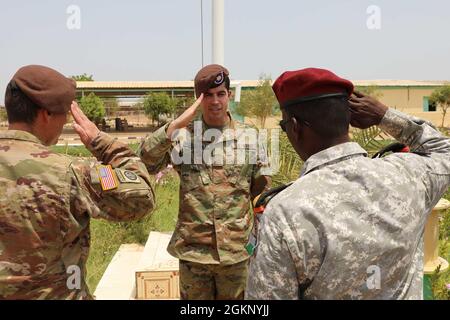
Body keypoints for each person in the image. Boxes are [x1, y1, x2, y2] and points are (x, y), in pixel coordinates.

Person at [245, 67, 450, 300]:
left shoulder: (285, 211)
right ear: (349, 120)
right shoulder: (410, 175)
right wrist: (384, 116)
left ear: (294, 126)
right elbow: (444, 150)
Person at [0, 65, 155, 299]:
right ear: (46, 114)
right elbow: (142, 195)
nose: (65, 124)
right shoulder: (71, 172)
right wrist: (102, 143)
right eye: (65, 114)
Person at [138, 64, 271, 299]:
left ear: (229, 95)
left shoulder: (251, 137)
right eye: (207, 96)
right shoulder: (183, 135)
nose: (215, 101)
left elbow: (260, 190)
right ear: (198, 99)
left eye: (220, 94)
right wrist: (173, 125)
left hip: (236, 252)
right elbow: (146, 162)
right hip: (193, 254)